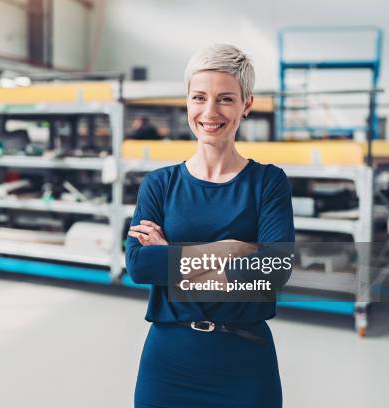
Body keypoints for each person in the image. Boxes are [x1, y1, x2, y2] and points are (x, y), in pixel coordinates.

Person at [126, 44, 295, 408]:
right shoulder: (159, 184)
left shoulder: (268, 182)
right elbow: (139, 266)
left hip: (245, 363)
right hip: (168, 363)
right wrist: (232, 251)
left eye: (225, 99)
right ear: (187, 101)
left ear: (247, 104)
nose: (210, 112)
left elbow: (274, 270)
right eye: (199, 97)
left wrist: (169, 258)